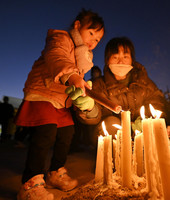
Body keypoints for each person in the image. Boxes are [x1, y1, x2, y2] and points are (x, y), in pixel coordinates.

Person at [15, 9, 104, 200]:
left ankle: (55, 172)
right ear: (78, 25)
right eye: (91, 33)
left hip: (61, 100)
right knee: (45, 133)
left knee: (67, 133)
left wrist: (81, 98)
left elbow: (76, 81)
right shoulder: (61, 39)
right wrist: (72, 76)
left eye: (98, 40)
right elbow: (57, 57)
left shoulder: (83, 56)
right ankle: (30, 183)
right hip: (43, 92)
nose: (93, 41)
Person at [67, 36, 166, 148]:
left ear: (132, 60)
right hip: (112, 135)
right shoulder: (100, 85)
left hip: (140, 133)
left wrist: (145, 119)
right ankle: (115, 160)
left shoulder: (143, 81)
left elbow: (157, 101)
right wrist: (89, 108)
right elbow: (97, 112)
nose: (121, 61)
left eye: (125, 56)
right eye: (115, 57)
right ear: (107, 60)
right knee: (111, 123)